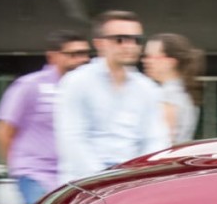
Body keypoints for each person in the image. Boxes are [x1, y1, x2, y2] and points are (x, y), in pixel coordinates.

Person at [55, 11, 171, 182]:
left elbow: (155, 139)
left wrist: (137, 176)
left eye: (136, 40)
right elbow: (72, 139)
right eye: (120, 39)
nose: (130, 45)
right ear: (99, 43)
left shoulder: (147, 88)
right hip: (82, 183)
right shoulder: (76, 82)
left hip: (130, 181)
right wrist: (102, 180)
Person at [0, 30, 91, 203]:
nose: (82, 60)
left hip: (74, 176)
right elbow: (3, 131)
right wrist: (17, 169)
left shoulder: (86, 90)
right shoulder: (30, 86)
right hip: (36, 175)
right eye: (74, 54)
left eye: (85, 54)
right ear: (53, 57)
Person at [142, 33, 204, 144]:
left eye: (150, 56)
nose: (145, 61)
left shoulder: (168, 95)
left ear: (170, 62)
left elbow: (161, 143)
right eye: (145, 56)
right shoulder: (181, 92)